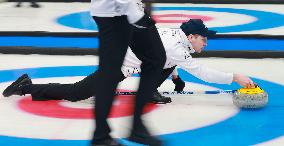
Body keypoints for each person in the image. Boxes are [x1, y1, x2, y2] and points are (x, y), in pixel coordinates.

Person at [2, 18, 254, 145]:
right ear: (192, 36)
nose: (206, 43)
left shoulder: (175, 39)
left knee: (164, 66)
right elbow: (202, 72)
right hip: (117, 66)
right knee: (77, 93)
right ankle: (27, 85)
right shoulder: (179, 47)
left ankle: (151, 88)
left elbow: (166, 58)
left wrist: (175, 76)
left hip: (127, 57)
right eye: (204, 39)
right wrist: (236, 77)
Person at [6, 0, 167, 146]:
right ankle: (102, 136)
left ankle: (130, 129)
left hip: (127, 9)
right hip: (117, 11)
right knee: (100, 78)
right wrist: (132, 10)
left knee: (155, 58)